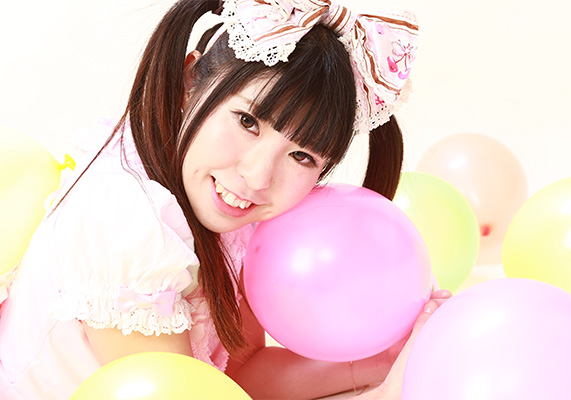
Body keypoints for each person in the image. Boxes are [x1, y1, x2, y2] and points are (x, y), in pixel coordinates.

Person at [0, 0, 451, 399]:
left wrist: (382, 360)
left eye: (301, 155)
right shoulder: (127, 227)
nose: (257, 176)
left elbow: (238, 373)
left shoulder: (232, 209)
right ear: (188, 82)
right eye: (248, 121)